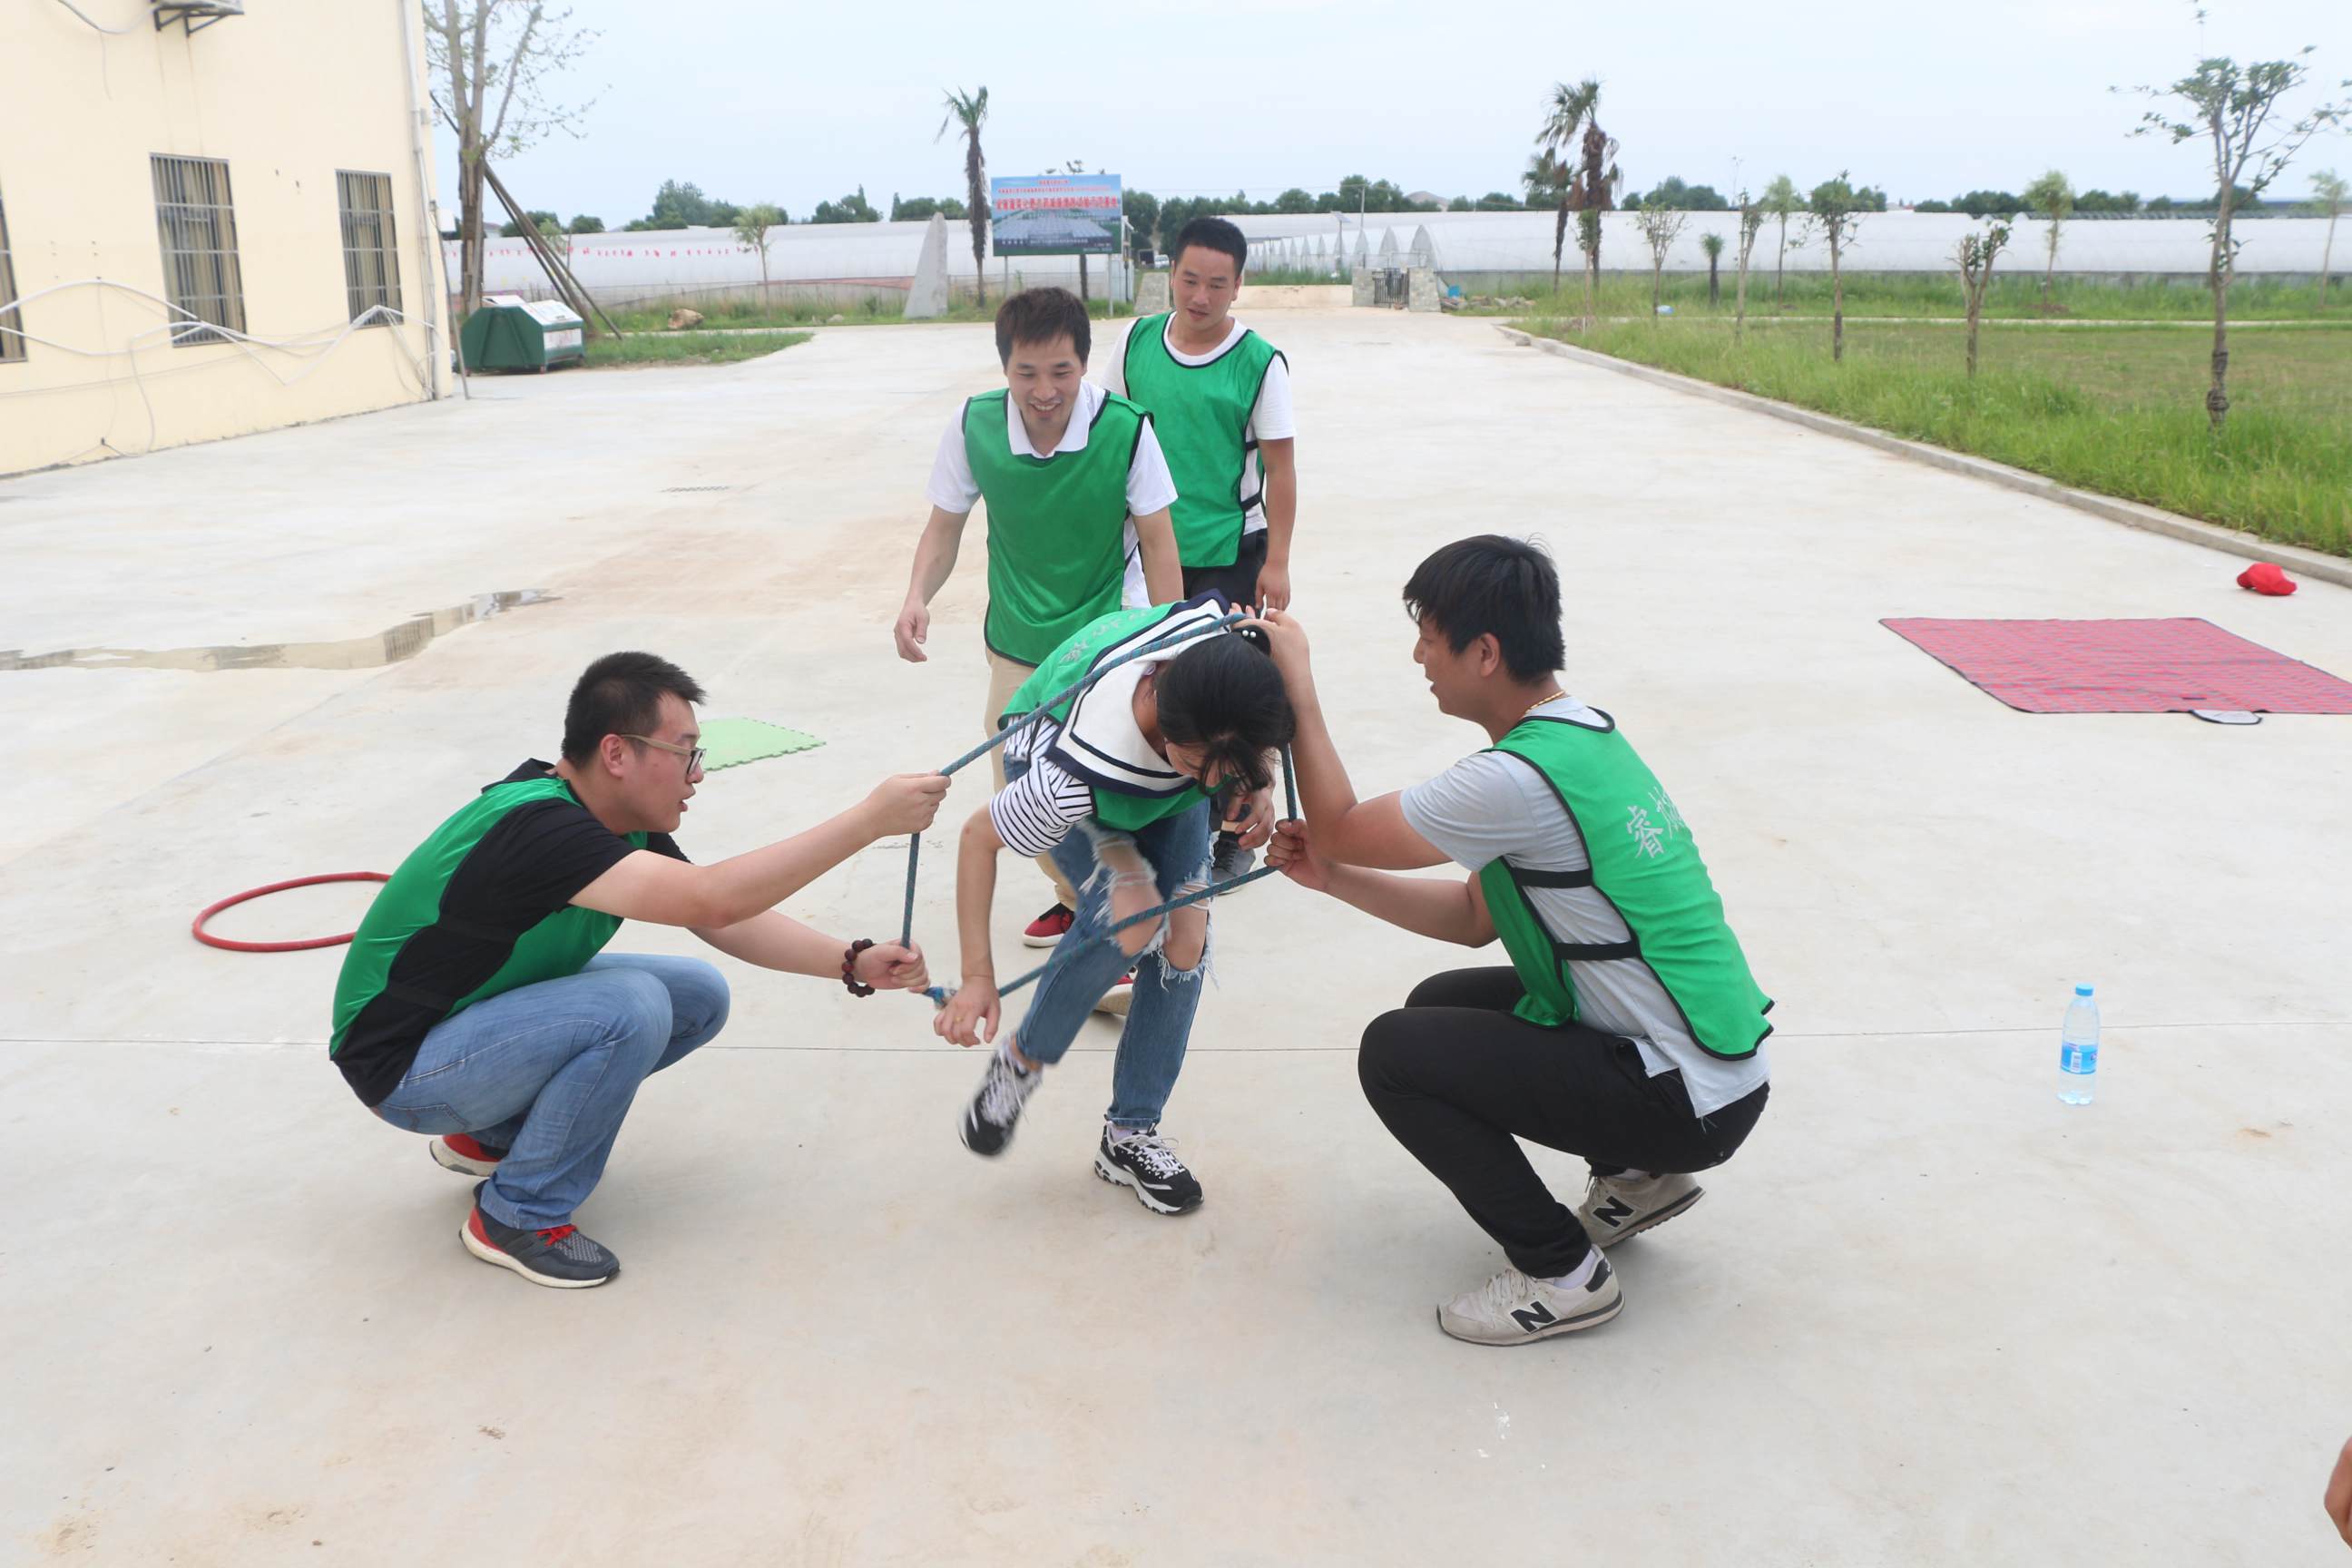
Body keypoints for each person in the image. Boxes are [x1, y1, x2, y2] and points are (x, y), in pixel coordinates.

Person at [1254, 535, 1773, 1344]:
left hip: (1685, 1096)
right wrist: (1334, 880)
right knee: (1439, 1006)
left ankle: (1562, 1273)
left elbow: (1341, 827)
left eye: (1430, 634)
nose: (1419, 653)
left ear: (1485, 652)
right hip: (1714, 1072)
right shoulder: (1583, 734)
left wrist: (1301, 693)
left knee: (1395, 1054)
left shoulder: (1511, 780)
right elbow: (1471, 922)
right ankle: (1641, 1179)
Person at [331, 652, 948, 1289]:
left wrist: (851, 962)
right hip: (404, 1069)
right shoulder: (541, 829)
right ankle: (518, 1213)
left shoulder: (608, 817)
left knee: (694, 995)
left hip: (461, 1030)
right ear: (617, 754)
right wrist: (869, 821)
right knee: (631, 1007)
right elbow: (712, 897)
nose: (698, 775)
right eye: (685, 754)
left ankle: (495, 1134)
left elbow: (720, 920)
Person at [932, 593, 1293, 1213]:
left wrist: (1258, 779)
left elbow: (1247, 727)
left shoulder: (1221, 670)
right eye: (1202, 767)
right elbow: (975, 840)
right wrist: (976, 979)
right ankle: (1019, 1063)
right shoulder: (1066, 777)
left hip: (1163, 772)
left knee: (1186, 939)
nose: (1215, 787)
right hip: (1061, 753)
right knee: (1130, 919)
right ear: (1159, 713)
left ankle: (1130, 1133)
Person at [896, 287, 1184, 953]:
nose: (1044, 389)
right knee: (1023, 794)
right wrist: (917, 595)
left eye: (1061, 371)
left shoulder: (1126, 427)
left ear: (1085, 365)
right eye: (1026, 372)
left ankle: (1120, 926)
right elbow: (944, 529)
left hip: (1106, 639)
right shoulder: (974, 425)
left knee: (1111, 781)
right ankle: (1078, 896)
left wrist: (1169, 641)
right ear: (1005, 369)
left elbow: (1161, 541)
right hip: (1018, 645)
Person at [1096, 217, 1298, 885]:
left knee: (1232, 694)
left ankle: (1236, 827)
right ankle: (1165, 818)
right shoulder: (1134, 341)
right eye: (1189, 280)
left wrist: (1278, 560)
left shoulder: (1261, 364)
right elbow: (1109, 437)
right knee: (1157, 686)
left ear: (1239, 285)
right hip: (1150, 553)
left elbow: (1282, 470)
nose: (1200, 296)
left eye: (1217, 284)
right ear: (1170, 276)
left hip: (1228, 550)